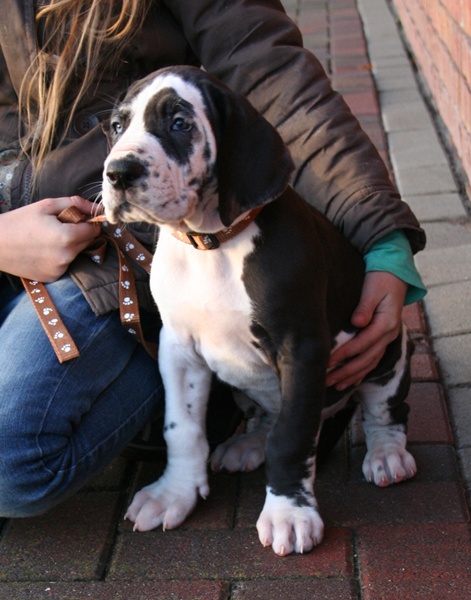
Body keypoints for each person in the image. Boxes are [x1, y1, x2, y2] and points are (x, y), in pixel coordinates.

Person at [0, 0, 426, 519]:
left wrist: (384, 237)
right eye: (120, 127)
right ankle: (227, 416)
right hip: (24, 243)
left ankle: (369, 424)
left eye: (179, 124)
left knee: (10, 462)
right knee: (188, 347)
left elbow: (273, 71)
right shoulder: (172, 262)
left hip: (109, 258)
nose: (120, 161)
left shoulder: (269, 241)